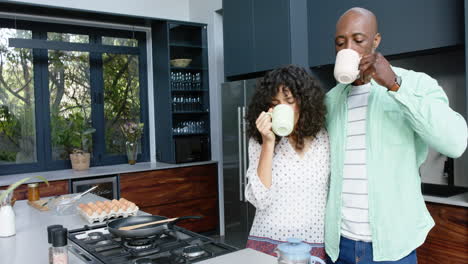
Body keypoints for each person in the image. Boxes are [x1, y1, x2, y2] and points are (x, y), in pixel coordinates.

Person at [324, 7, 468, 264]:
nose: (348, 48)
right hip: (338, 248)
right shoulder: (330, 101)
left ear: (376, 41)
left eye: (358, 40)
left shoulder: (415, 84)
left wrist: (395, 85)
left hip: (392, 250)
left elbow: (455, 143)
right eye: (340, 42)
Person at [244, 65, 330, 261]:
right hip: (267, 243)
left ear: (304, 102)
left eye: (289, 101)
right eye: (275, 103)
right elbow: (259, 199)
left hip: (313, 244)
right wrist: (268, 142)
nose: (282, 108)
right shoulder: (259, 141)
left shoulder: (324, 138)